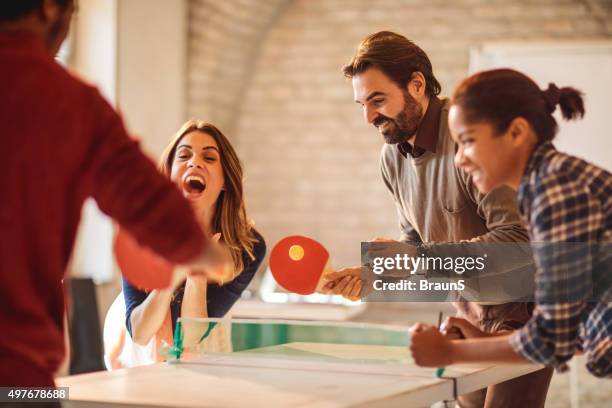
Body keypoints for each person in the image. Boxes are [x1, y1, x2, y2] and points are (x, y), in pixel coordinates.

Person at [322, 31, 552, 407]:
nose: (369, 117)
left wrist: (419, 258)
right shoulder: (392, 158)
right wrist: (373, 273)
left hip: (524, 309)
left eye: (378, 100)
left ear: (416, 84)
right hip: (466, 310)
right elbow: (415, 243)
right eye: (362, 104)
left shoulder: (469, 136)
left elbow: (517, 241)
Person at [0, 0, 222, 386]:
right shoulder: (69, 102)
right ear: (50, 8)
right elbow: (150, 332)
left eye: (369, 101)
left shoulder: (251, 243)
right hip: (15, 374)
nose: (367, 116)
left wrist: (366, 274)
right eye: (184, 155)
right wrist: (203, 256)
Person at [409, 68, 612, 380]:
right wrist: (483, 340)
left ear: (517, 133)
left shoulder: (557, 191)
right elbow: (572, 330)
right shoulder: (546, 185)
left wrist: (450, 352)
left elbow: (550, 341)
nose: (459, 158)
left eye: (468, 141)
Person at [121, 121, 266, 361]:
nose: (194, 162)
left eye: (209, 158)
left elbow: (189, 339)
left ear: (225, 183)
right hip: (138, 364)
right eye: (184, 155)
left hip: (202, 364)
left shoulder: (248, 247)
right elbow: (140, 333)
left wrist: (196, 273)